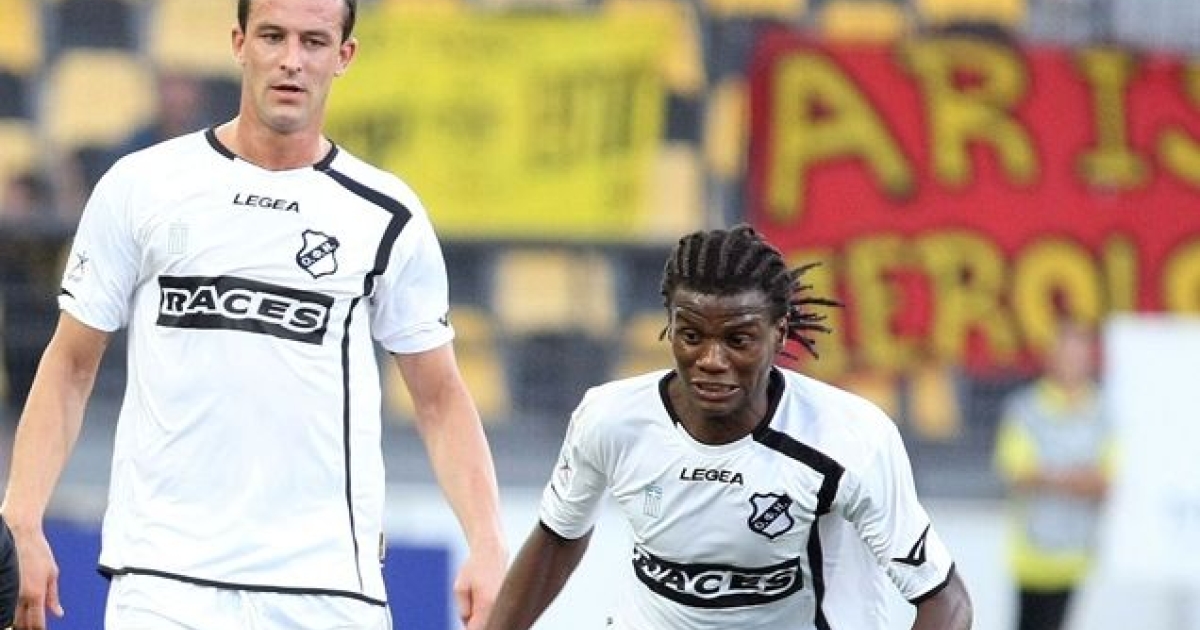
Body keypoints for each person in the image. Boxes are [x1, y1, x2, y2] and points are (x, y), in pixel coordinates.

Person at [0, 0, 508, 628]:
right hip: (163, 582)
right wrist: (23, 519)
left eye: (314, 42)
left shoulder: (386, 215)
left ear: (344, 56)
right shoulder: (143, 186)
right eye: (273, 36)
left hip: (326, 588)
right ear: (240, 44)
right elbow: (71, 365)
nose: (291, 60)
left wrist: (488, 542)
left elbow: (440, 398)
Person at [485, 224, 973, 630]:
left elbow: (946, 601)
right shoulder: (611, 419)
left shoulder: (849, 440)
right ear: (669, 327)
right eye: (691, 336)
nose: (711, 360)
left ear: (779, 333)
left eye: (738, 340)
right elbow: (557, 537)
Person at [993, 319, 1114, 630]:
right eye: (1067, 354)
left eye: (1079, 355)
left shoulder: (1102, 409)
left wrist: (1048, 475)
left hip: (1077, 553)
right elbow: (1017, 471)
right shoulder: (1025, 407)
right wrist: (1078, 477)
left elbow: (1106, 479)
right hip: (1033, 552)